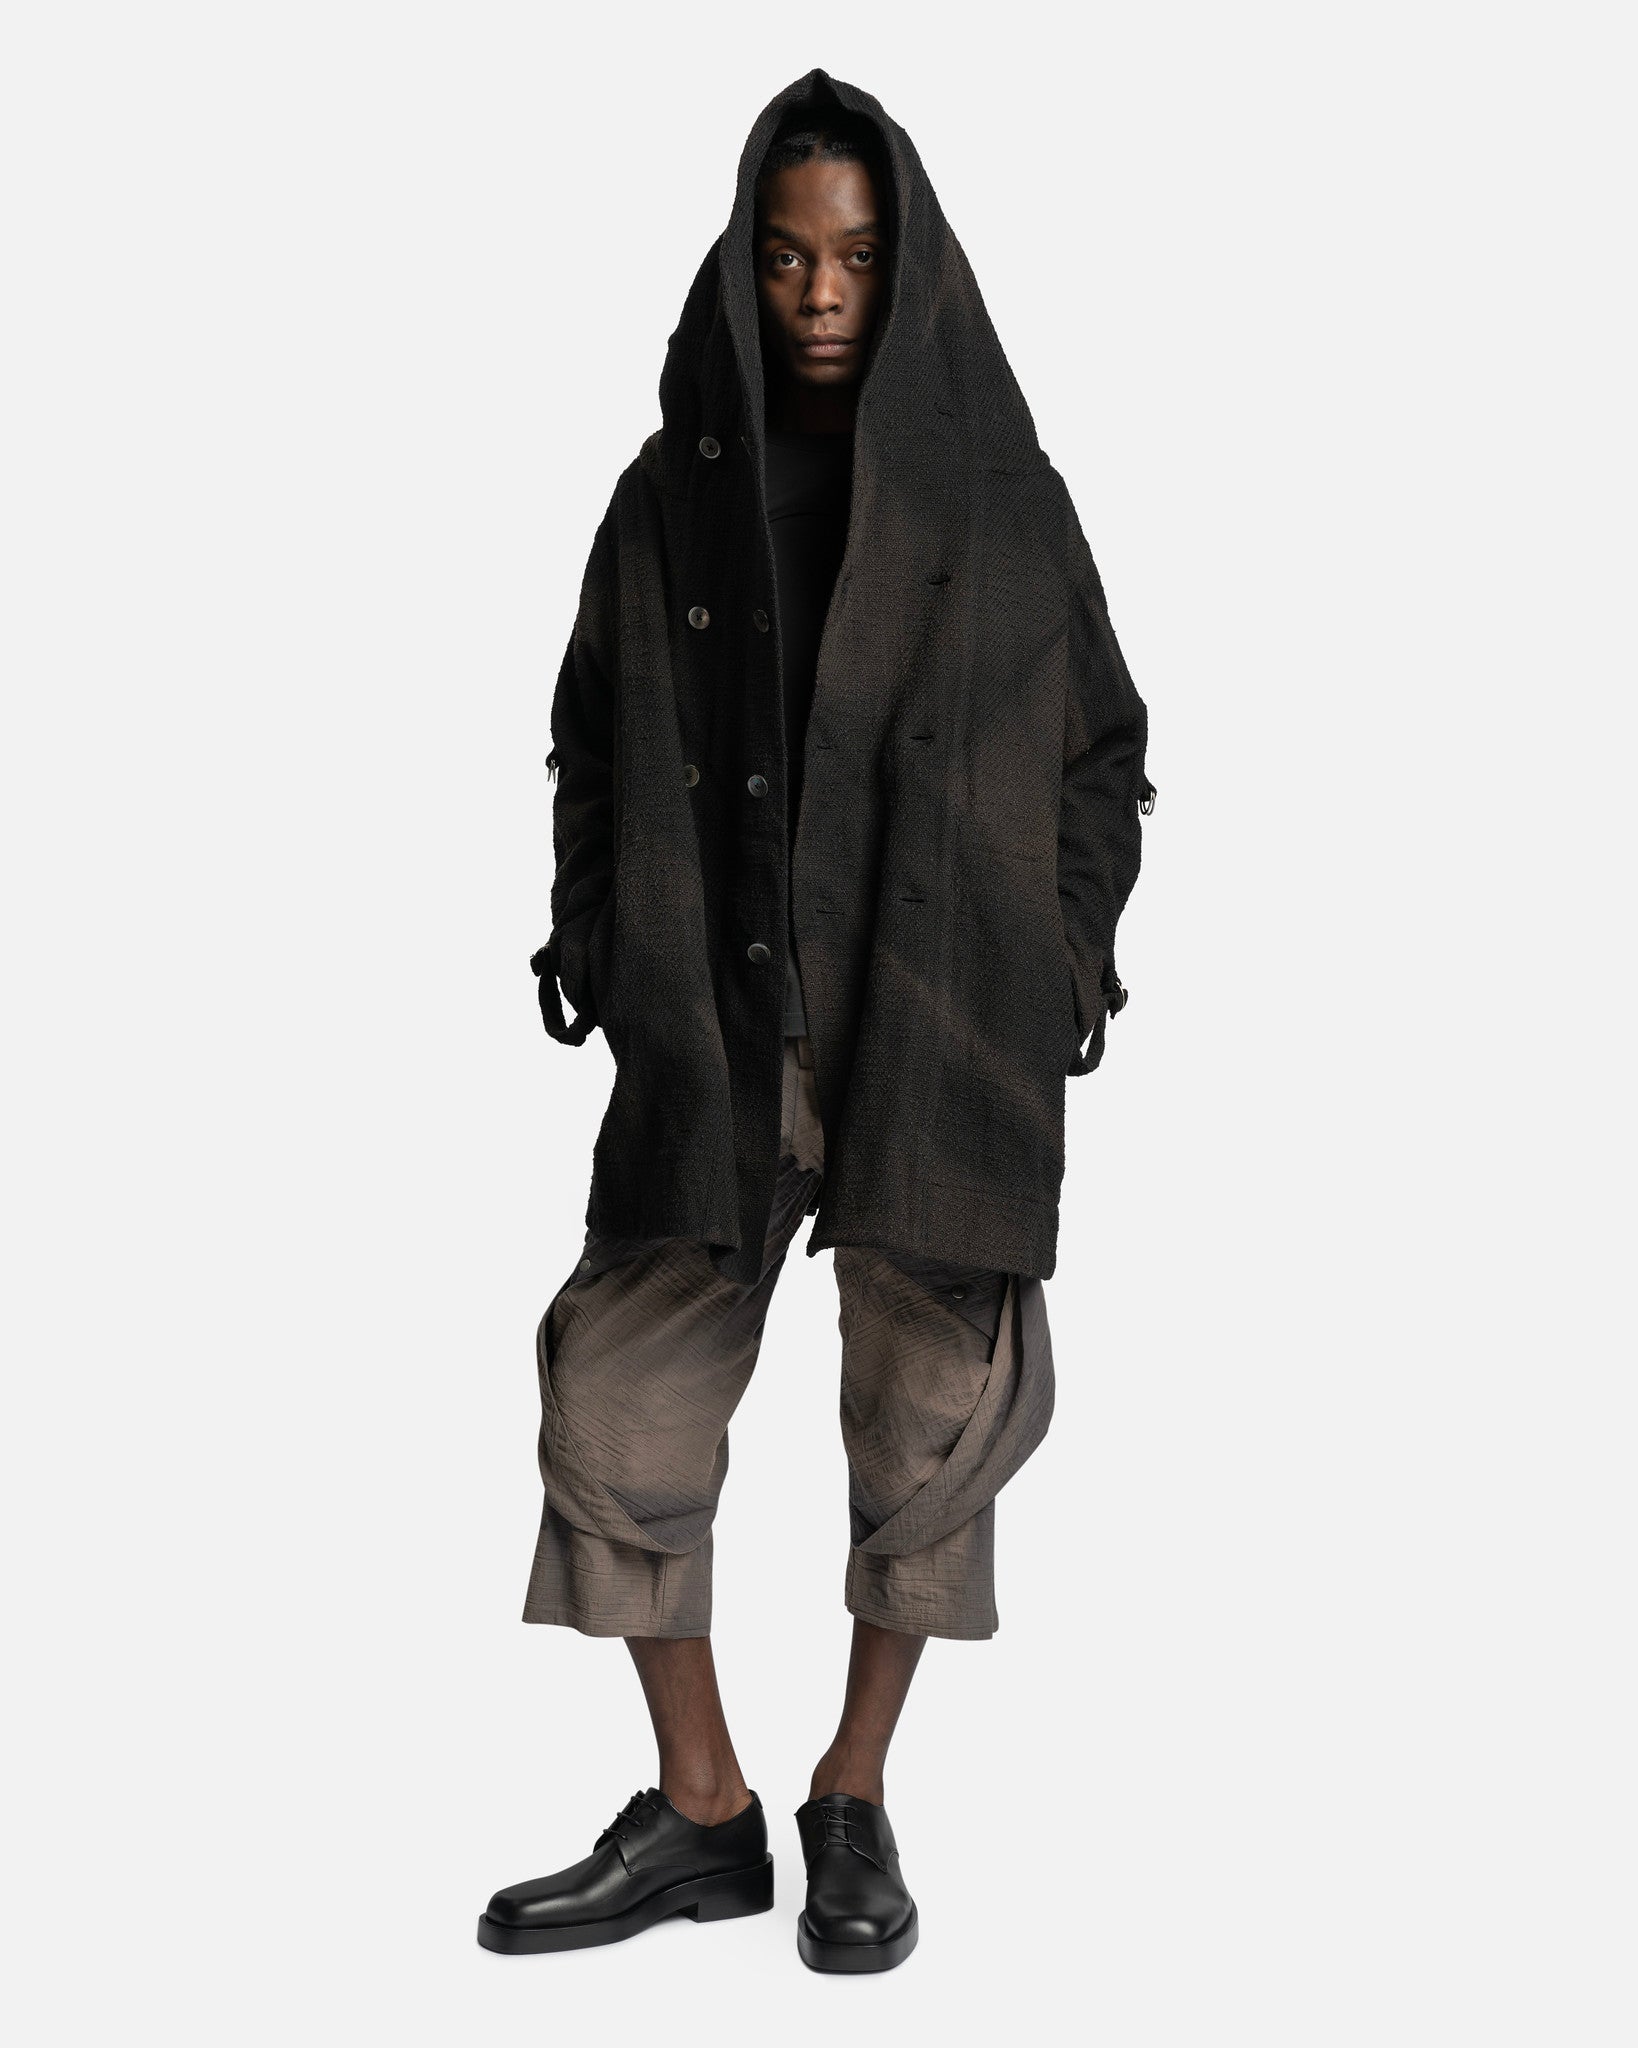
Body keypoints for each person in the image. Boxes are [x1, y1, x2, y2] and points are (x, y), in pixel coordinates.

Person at [477, 68, 1154, 1975]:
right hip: (722, 1012)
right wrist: (603, 942)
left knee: (930, 1417)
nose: (822, 293)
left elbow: (1098, 748)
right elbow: (589, 733)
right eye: (785, 259)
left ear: (909, 262)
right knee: (613, 1394)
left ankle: (851, 1791)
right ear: (742, 267)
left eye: (855, 256)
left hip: (933, 1015)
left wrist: (1061, 961)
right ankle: (702, 1807)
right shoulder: (666, 497)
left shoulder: (1002, 497)